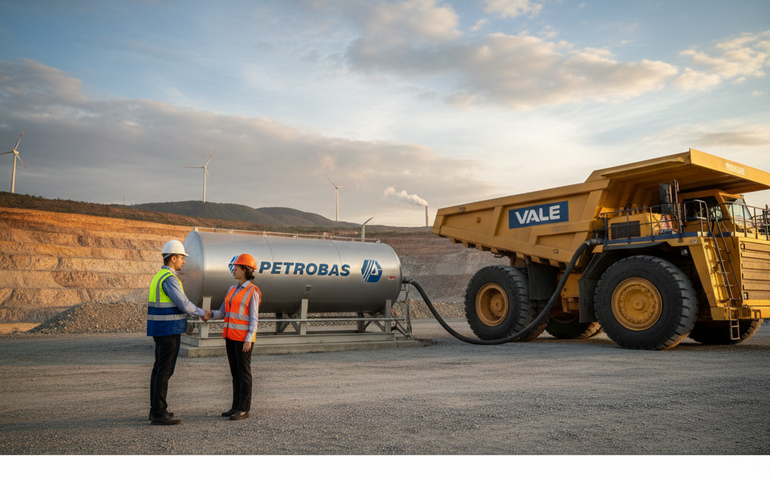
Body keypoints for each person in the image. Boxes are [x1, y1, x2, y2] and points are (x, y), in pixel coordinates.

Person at [147, 239, 210, 426]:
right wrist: (202, 313)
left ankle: (155, 410)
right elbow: (183, 304)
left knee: (158, 370)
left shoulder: (159, 276)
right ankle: (159, 413)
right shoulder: (169, 279)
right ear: (173, 258)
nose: (184, 261)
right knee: (164, 371)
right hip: (168, 330)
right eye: (182, 258)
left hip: (160, 329)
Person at [208, 253, 261, 421]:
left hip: (243, 340)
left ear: (244, 270)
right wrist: (210, 314)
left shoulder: (253, 291)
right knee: (235, 373)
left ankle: (244, 409)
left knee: (244, 373)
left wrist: (249, 338)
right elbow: (223, 312)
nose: (233, 270)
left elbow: (254, 317)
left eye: (236, 268)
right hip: (231, 337)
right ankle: (235, 406)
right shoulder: (232, 289)